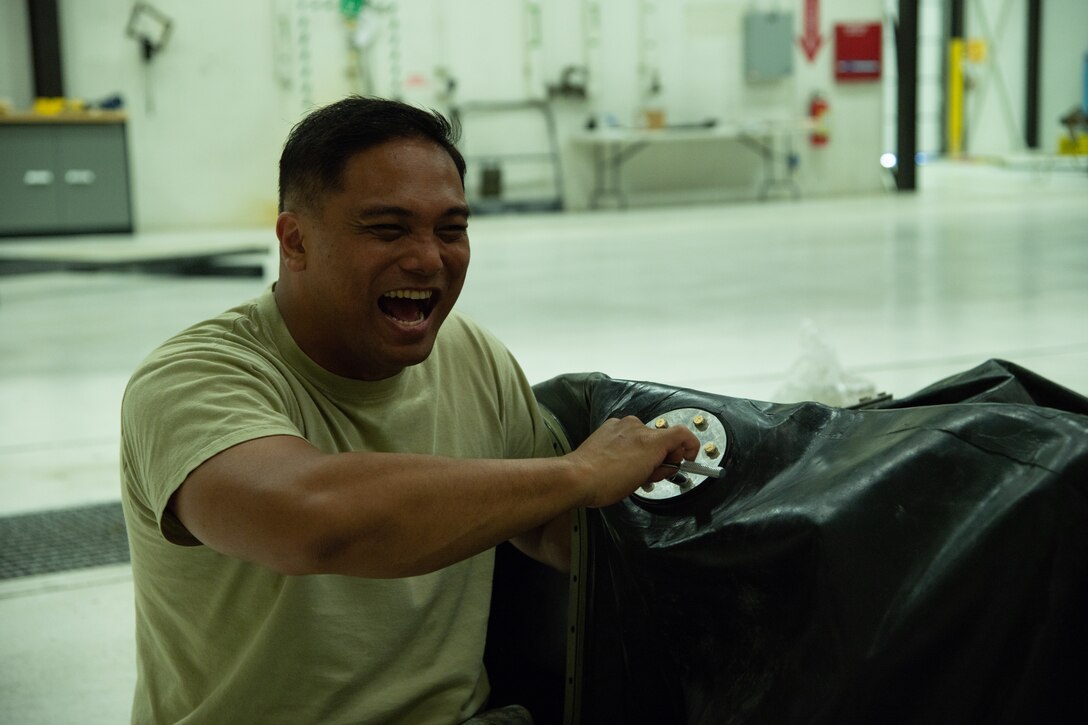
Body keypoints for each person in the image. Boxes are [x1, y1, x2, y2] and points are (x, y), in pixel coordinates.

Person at [120, 95, 699, 724]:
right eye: (388, 229)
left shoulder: (472, 356)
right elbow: (311, 520)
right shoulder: (193, 380)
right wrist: (580, 473)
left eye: (451, 230)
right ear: (296, 241)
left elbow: (544, 528)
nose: (428, 259)